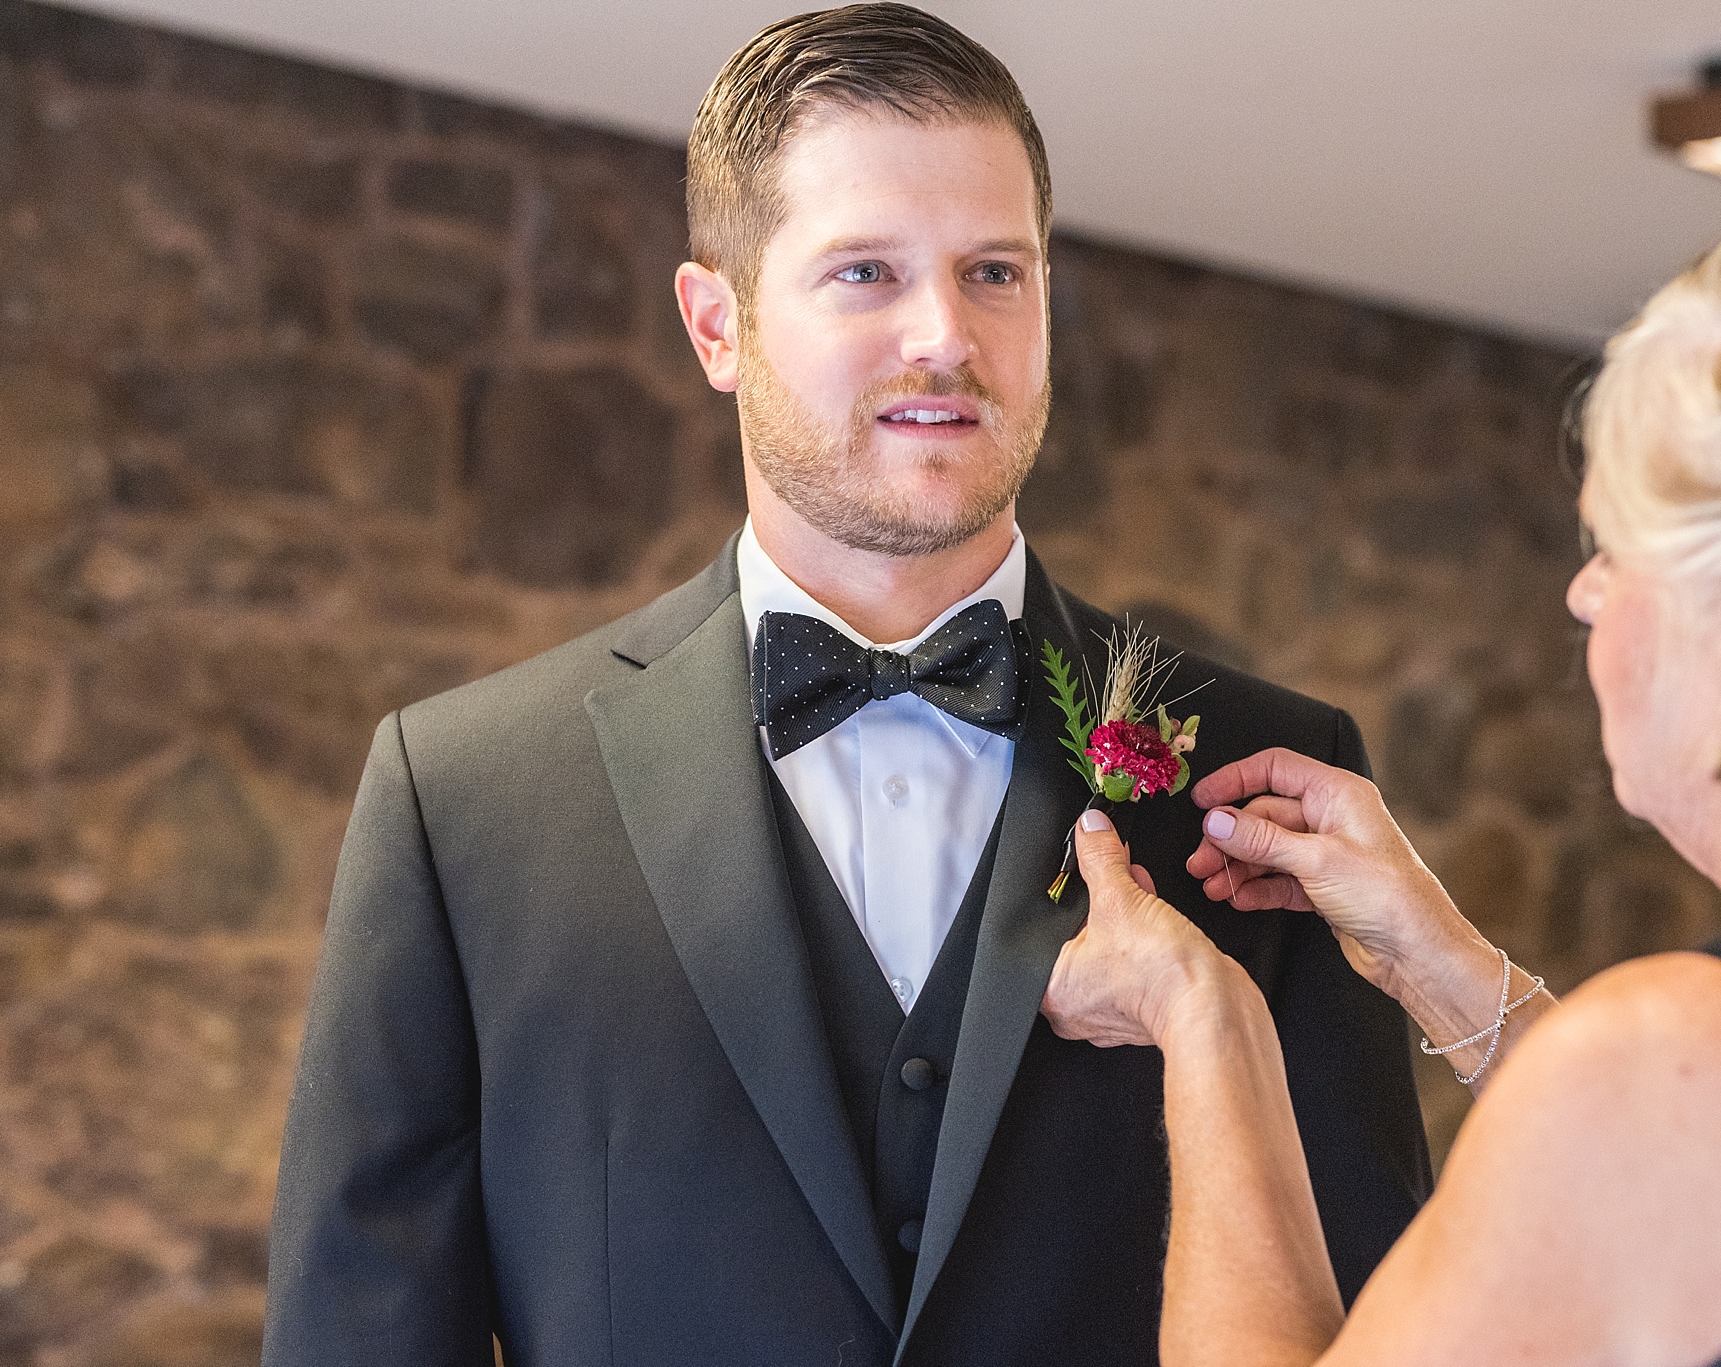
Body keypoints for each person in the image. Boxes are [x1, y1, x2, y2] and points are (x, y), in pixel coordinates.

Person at [260, 7, 1431, 1364]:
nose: (944, 335)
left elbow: (1391, 1312)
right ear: (718, 323)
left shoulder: (1272, 778)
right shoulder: (462, 798)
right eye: (865, 271)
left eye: (995, 271)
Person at [1043, 201, 1721, 1367]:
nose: (1581, 599)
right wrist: (1441, 964)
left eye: (1613, 550)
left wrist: (1207, 1025)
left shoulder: (1670, 1061)